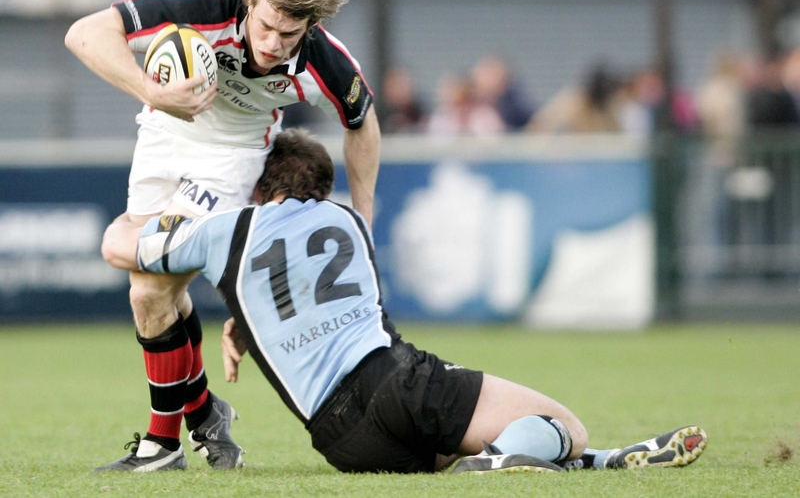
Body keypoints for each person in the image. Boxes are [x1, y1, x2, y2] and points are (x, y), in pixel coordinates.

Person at [103, 128, 708, 474]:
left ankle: (600, 465)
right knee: (561, 425)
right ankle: (511, 465)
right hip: (392, 385)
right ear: (323, 187)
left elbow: (119, 249)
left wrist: (160, 217)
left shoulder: (224, 231)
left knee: (462, 443)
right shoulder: (351, 224)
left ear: (260, 188)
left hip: (340, 442)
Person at [64, 0, 381, 471]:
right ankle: (206, 413)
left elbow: (363, 125)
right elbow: (85, 33)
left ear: (311, 26)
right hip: (162, 133)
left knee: (147, 289)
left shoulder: (324, 60)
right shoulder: (205, 6)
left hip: (231, 160)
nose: (274, 44)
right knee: (159, 296)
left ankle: (161, 446)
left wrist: (363, 219)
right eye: (265, 27)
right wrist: (152, 89)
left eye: (290, 34)